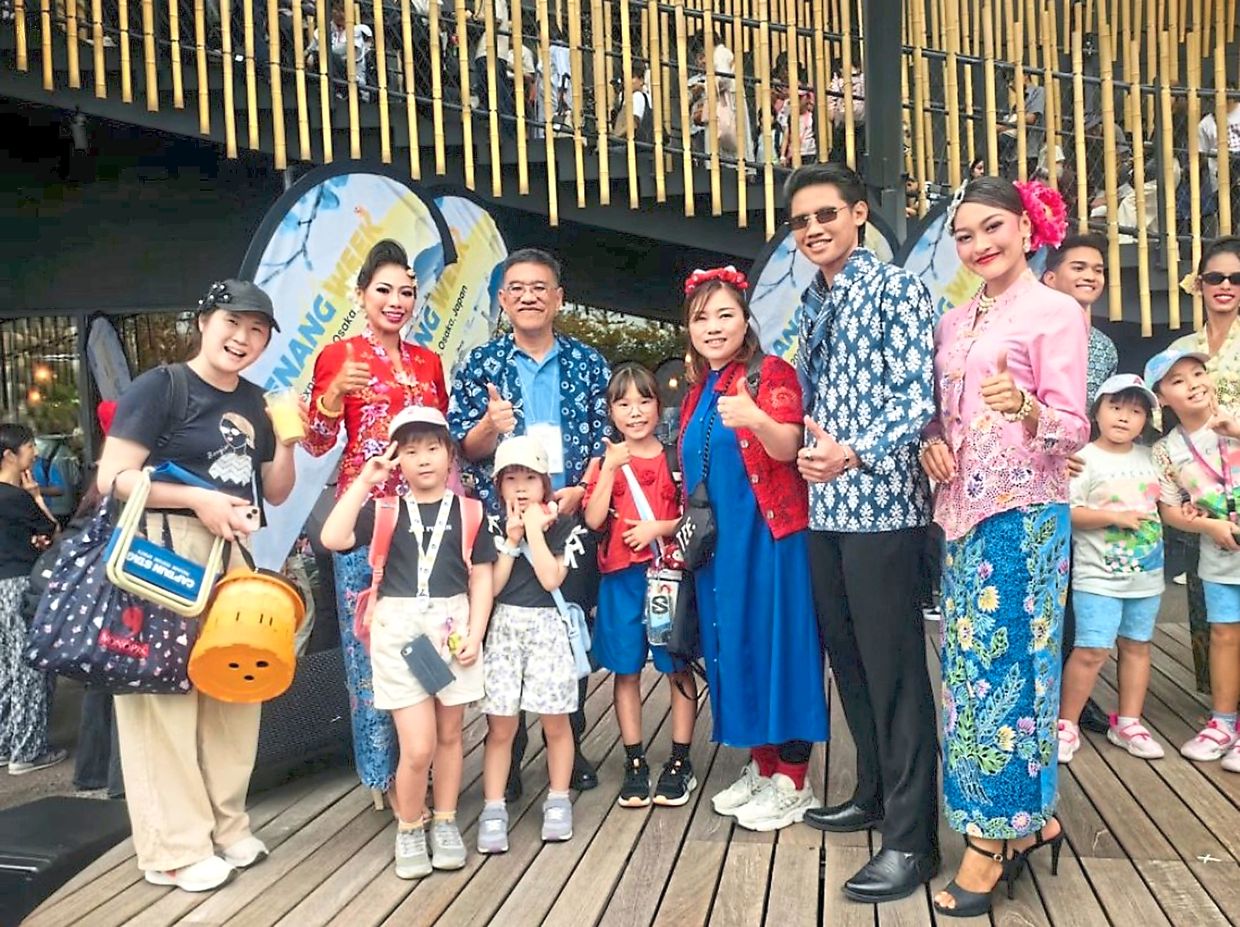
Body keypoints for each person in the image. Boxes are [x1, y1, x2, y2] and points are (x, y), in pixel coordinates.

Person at [921, 177, 1087, 916]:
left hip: (1025, 515)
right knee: (968, 678)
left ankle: (991, 841)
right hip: (962, 516)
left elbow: (1075, 427)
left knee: (1012, 677)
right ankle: (1028, 820)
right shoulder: (955, 320)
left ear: (1026, 227)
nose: (980, 244)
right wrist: (930, 440)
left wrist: (1026, 408)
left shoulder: (1056, 312)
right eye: (965, 235)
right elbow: (940, 413)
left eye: (993, 228)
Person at [96, 278, 296, 892]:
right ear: (203, 320)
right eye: (233, 323)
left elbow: (277, 490)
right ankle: (174, 847)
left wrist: (288, 438)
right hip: (165, 547)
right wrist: (196, 499)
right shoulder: (162, 386)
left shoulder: (259, 401)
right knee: (164, 698)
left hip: (233, 553)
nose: (244, 338)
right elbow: (113, 477)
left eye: (258, 330)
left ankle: (227, 824)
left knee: (236, 685)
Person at [786, 162, 940, 902]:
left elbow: (918, 396)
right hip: (825, 510)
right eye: (801, 220)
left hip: (882, 506)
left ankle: (912, 841)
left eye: (826, 214)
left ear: (858, 215)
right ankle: (874, 793)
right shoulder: (813, 303)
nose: (813, 228)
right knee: (849, 661)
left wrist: (854, 450)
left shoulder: (895, 288)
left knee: (898, 672)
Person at [449, 247, 609, 797]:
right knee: (502, 630)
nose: (528, 296)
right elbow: (464, 450)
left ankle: (572, 741)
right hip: (504, 522)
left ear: (558, 298)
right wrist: (490, 427)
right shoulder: (480, 365)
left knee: (569, 626)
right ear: (502, 298)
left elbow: (603, 439)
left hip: (570, 514)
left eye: (540, 287)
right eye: (516, 288)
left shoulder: (589, 363)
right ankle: (509, 753)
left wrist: (580, 491)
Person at [678, 265, 827, 832]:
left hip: (770, 541)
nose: (713, 327)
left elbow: (790, 444)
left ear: (746, 320)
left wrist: (756, 417)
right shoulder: (696, 392)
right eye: (701, 318)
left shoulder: (771, 374)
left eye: (725, 314)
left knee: (779, 649)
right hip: (720, 548)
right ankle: (763, 768)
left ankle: (793, 779)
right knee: (732, 648)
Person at [320, 406, 495, 879]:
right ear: (397, 457)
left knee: (451, 736)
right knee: (417, 747)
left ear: (450, 454)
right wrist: (364, 480)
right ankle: (409, 826)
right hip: (399, 631)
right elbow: (333, 537)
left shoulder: (471, 512)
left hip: (452, 627)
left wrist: (477, 632)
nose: (422, 459)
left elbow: (482, 576)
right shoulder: (384, 511)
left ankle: (445, 821)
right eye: (410, 450)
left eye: (432, 448)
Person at [303, 239, 448, 805]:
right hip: (365, 519)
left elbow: (440, 441)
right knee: (369, 648)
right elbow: (317, 443)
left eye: (406, 291)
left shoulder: (428, 362)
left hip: (425, 518)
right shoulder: (338, 357)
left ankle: (427, 761)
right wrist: (333, 396)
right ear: (360, 294)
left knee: (427, 637)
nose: (396, 301)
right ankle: (382, 777)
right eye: (383, 290)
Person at [582, 363, 694, 808]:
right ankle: (634, 759)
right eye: (623, 403)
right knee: (625, 669)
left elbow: (693, 518)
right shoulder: (604, 460)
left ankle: (680, 758)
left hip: (665, 579)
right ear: (610, 411)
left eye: (643, 400)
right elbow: (592, 519)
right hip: (620, 580)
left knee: (675, 666)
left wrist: (655, 528)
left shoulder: (674, 458)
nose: (634, 412)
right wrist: (609, 468)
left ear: (658, 405)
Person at [478, 436, 590, 852]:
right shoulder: (490, 526)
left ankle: (557, 800)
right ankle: (493, 807)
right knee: (500, 725)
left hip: (548, 629)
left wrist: (536, 533)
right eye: (511, 479)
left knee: (555, 721)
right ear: (499, 485)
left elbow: (550, 578)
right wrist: (510, 538)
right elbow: (491, 588)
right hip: (505, 630)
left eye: (530, 478)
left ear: (545, 483)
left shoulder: (565, 527)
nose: (521, 487)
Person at [1058, 375, 1166, 764]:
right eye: (1116, 407)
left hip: (1147, 576)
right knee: (1092, 649)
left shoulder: (1151, 457)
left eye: (1136, 411)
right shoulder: (1083, 458)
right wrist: (1111, 517)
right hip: (1097, 577)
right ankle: (1066, 724)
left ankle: (1130, 722)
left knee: (1137, 646)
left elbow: (1166, 503)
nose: (1124, 417)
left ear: (1146, 420)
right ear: (1097, 411)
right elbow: (1067, 512)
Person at [1148, 348, 1240, 772]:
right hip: (1219, 550)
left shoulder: (1235, 414)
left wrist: (1234, 430)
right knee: (1223, 635)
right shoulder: (1166, 450)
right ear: (1161, 397)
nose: (1194, 383)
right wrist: (1207, 528)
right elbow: (1169, 510)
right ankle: (1223, 723)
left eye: (1198, 373)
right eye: (1178, 381)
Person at [1044, 232, 1119, 735]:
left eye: (1098, 269)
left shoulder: (1105, 348)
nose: (1090, 275)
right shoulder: (1038, 331)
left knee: (1085, 586)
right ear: (1051, 278)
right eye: (1079, 267)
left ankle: (1076, 696)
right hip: (1044, 475)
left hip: (1089, 477)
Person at [1169, 238, 1240, 693]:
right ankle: (1221, 708)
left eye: (1236, 278)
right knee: (1215, 609)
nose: (1226, 285)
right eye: (1215, 277)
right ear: (1199, 285)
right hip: (1201, 483)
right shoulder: (1183, 348)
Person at [0, 422, 62, 776]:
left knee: (6, 669)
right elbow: (52, 531)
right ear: (9, 455)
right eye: (28, 447)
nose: (34, 453)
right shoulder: (16, 498)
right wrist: (37, 496)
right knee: (30, 668)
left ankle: (6, 743)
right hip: (17, 584)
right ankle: (27, 750)